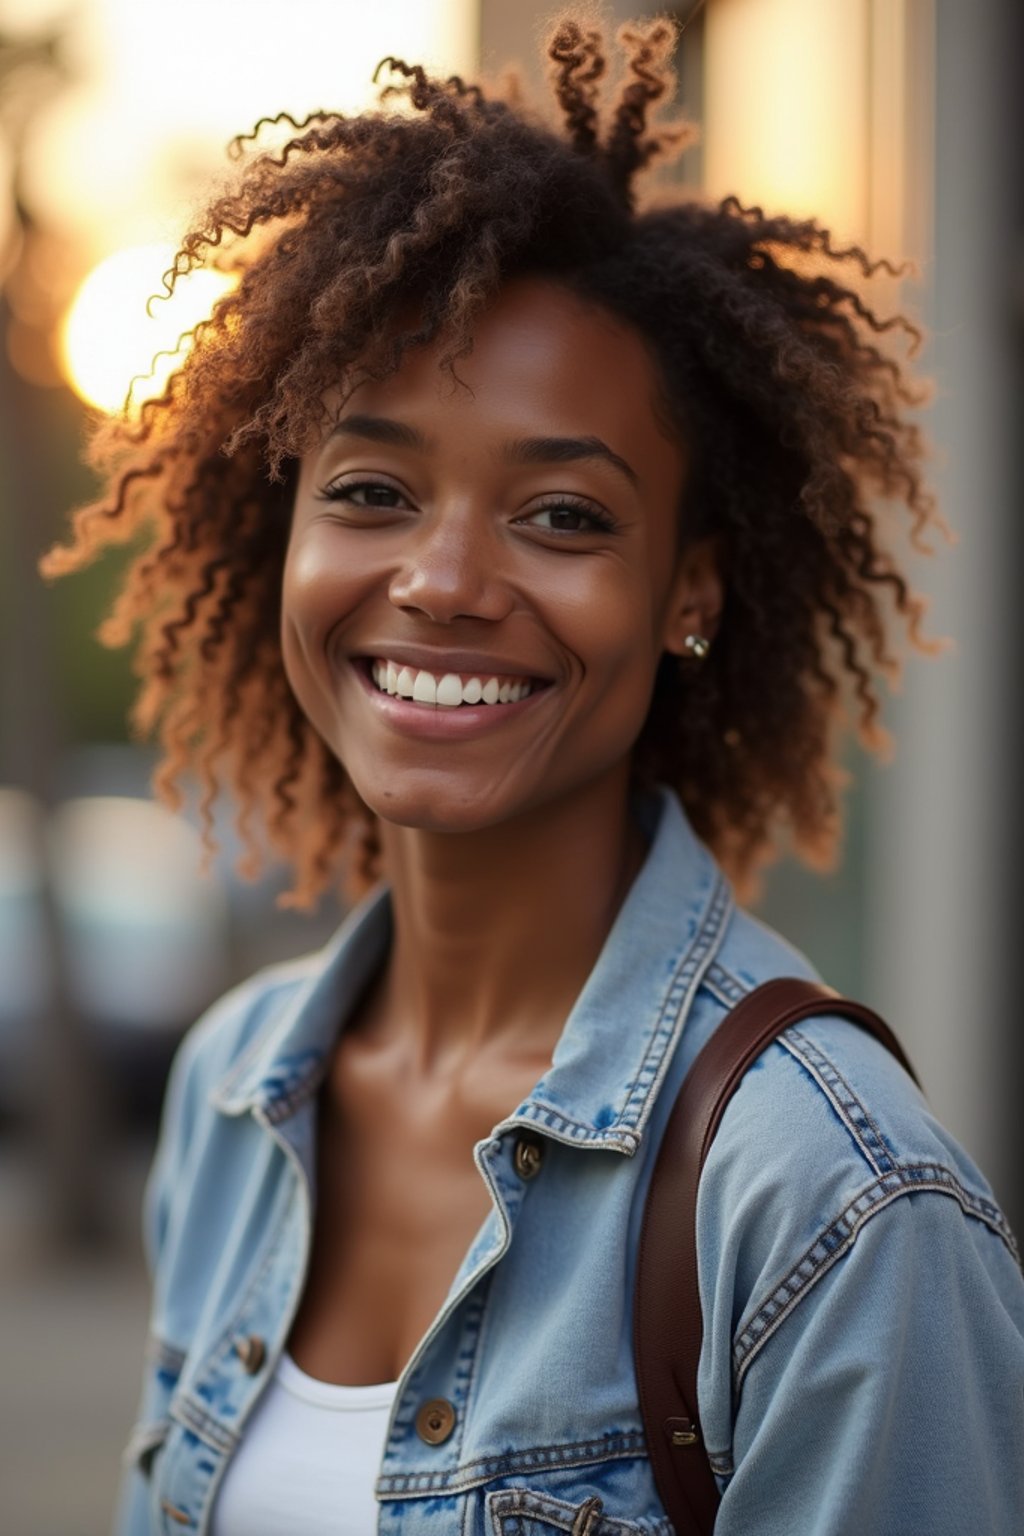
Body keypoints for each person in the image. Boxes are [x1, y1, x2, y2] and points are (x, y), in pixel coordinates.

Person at [44, 15, 1024, 1536]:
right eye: (372, 491)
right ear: (279, 538)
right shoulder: (230, 1092)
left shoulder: (836, 1203)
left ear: (688, 591)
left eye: (562, 516)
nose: (441, 581)